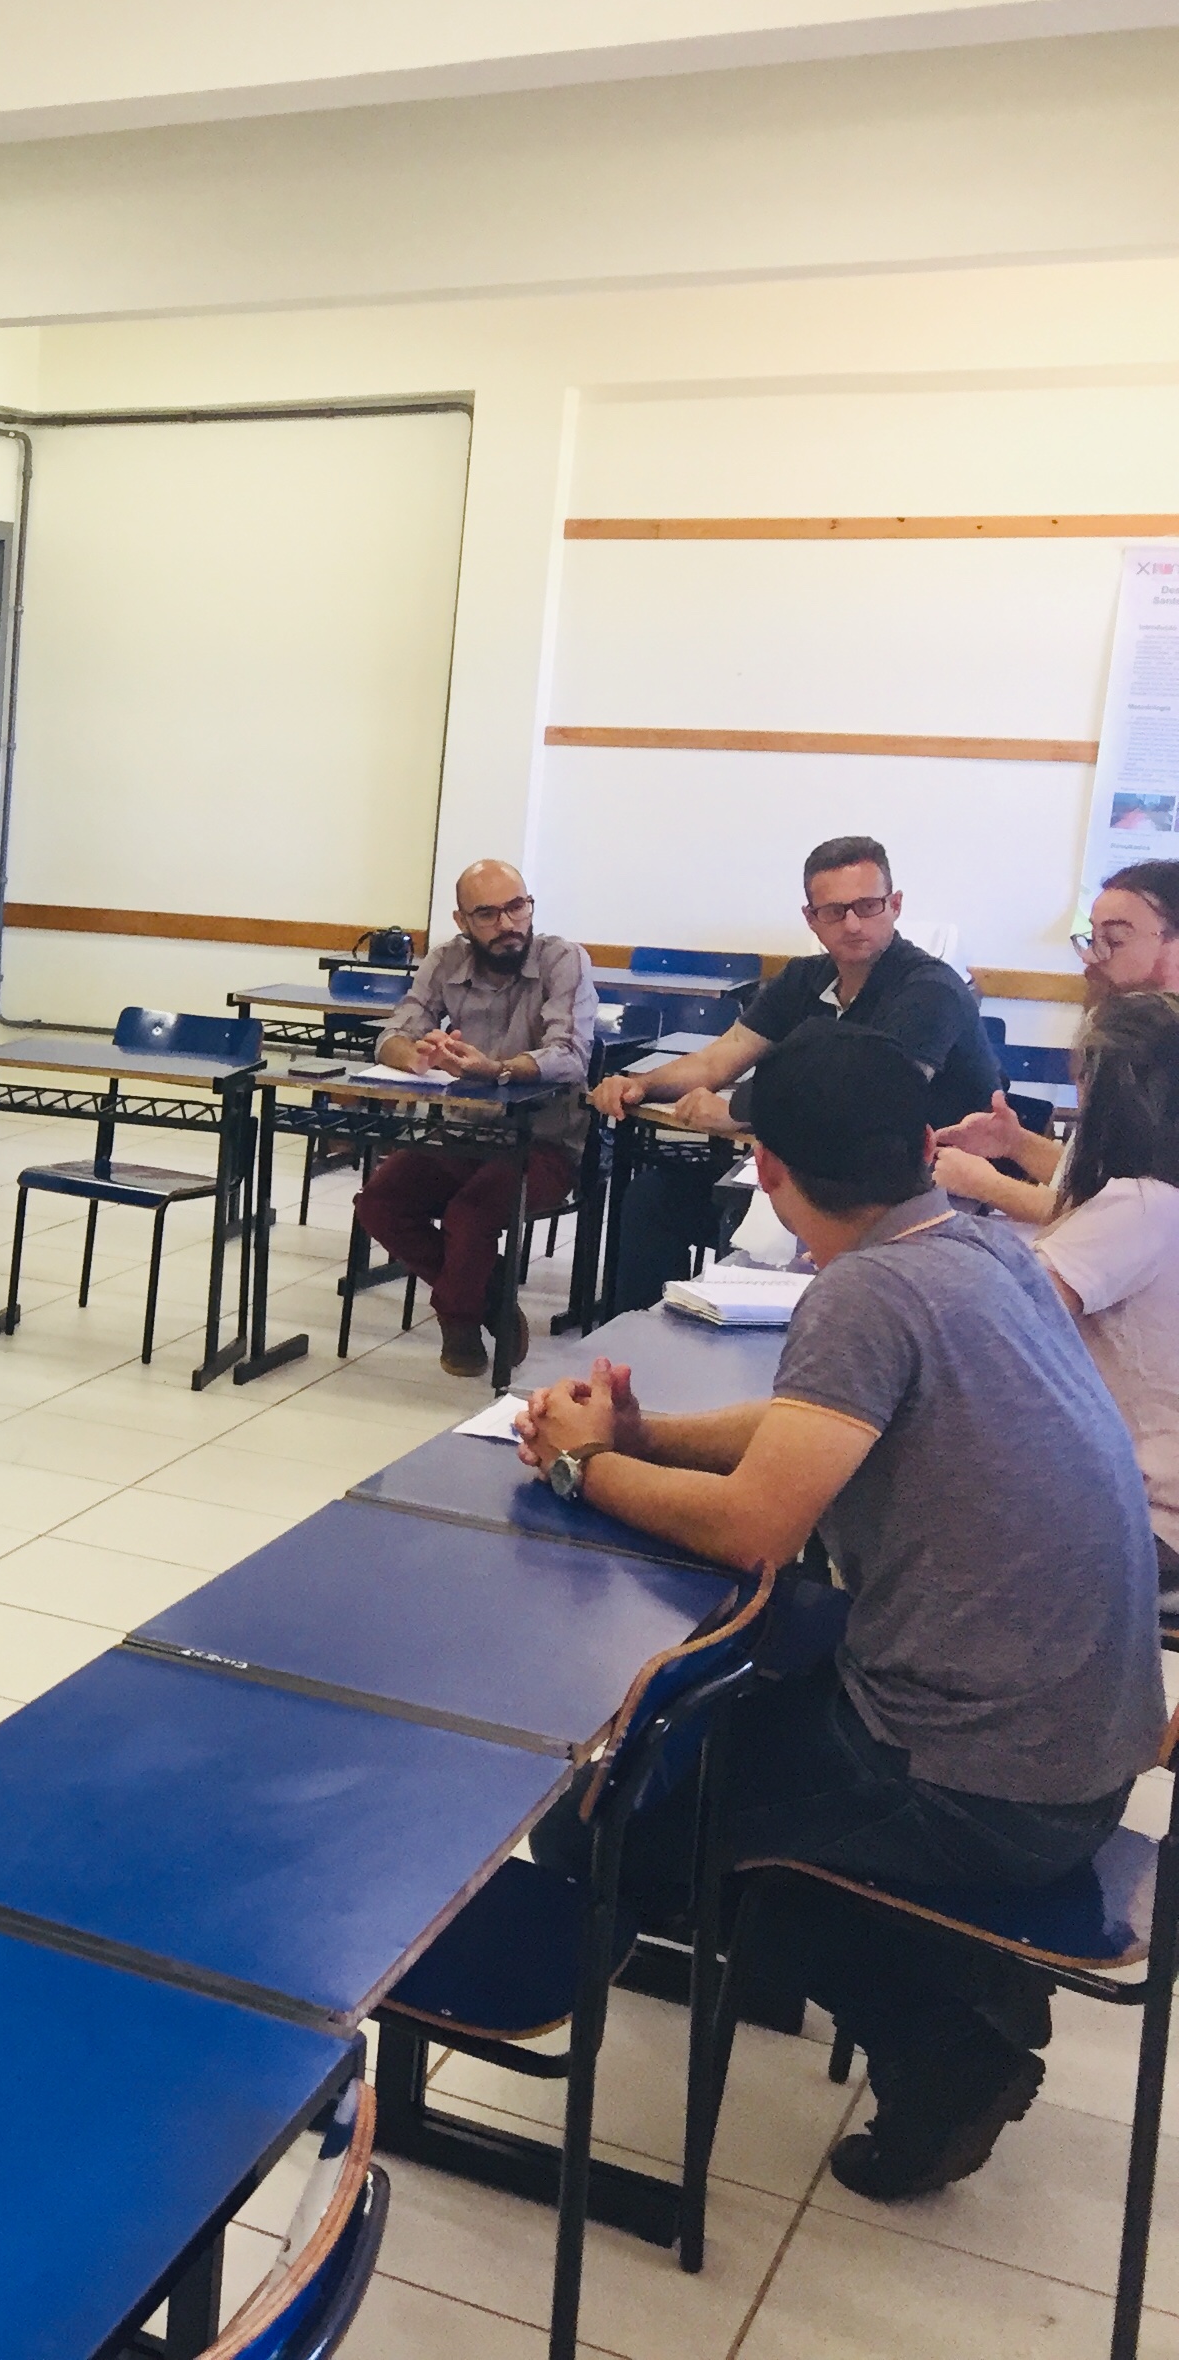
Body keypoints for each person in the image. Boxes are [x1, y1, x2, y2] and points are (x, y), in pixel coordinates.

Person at [519, 1021, 1163, 2201]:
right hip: (1085, 1746)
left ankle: (949, 2044)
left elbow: (754, 1528)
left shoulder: (867, 1291)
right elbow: (814, 1427)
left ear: (765, 1167)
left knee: (609, 1821)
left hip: (977, 1782)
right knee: (732, 1715)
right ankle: (932, 1959)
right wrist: (646, 1438)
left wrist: (582, 1466)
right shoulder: (980, 1242)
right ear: (922, 1146)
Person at [589, 836, 1002, 1308]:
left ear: (895, 905)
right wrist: (639, 1085)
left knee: (749, 1215)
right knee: (653, 1199)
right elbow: (720, 1058)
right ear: (811, 919)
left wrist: (736, 1114)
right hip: (819, 1175)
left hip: (913, 1189)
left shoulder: (930, 988)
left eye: (868, 906)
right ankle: (637, 1343)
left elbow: (868, 1101)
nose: (853, 924)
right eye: (834, 911)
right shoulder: (803, 979)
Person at [947, 988, 1179, 1611]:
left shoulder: (1142, 1205)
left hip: (1146, 1520)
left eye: (1081, 1079)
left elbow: (1004, 1324)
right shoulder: (1152, 1196)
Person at [349, 859, 597, 1377]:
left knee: (471, 1213)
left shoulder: (563, 959)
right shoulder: (446, 960)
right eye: (487, 914)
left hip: (545, 1142)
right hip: (463, 1132)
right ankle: (492, 1295)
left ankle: (460, 1318)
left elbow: (571, 1055)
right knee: (379, 1202)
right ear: (462, 921)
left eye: (517, 907)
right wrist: (418, 1055)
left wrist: (498, 1069)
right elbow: (392, 1034)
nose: (507, 924)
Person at [930, 859, 1179, 1226]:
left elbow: (1122, 1223)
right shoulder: (1122, 1039)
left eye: (1115, 940)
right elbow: (1102, 1183)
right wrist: (1016, 1143)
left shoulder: (1160, 1058)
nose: (1091, 958)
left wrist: (987, 1185)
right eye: (1092, 939)